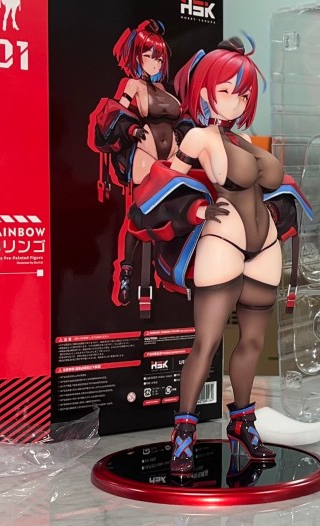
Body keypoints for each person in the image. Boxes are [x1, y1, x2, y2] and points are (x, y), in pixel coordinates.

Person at [131, 37, 285, 476]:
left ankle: (242, 424)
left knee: (252, 342)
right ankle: (183, 433)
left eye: (244, 93)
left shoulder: (242, 137)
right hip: (224, 239)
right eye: (226, 90)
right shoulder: (198, 137)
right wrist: (193, 210)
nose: (236, 101)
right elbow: (160, 186)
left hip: (265, 244)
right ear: (204, 90)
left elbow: (269, 180)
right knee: (208, 342)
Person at [89, 20, 190, 311]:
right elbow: (113, 116)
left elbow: (181, 118)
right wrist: (130, 129)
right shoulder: (132, 85)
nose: (155, 62)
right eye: (149, 56)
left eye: (159, 57)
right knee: (138, 217)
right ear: (137, 57)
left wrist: (183, 135)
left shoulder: (164, 89)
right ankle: (126, 273)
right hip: (145, 156)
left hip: (171, 158)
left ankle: (166, 272)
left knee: (170, 215)